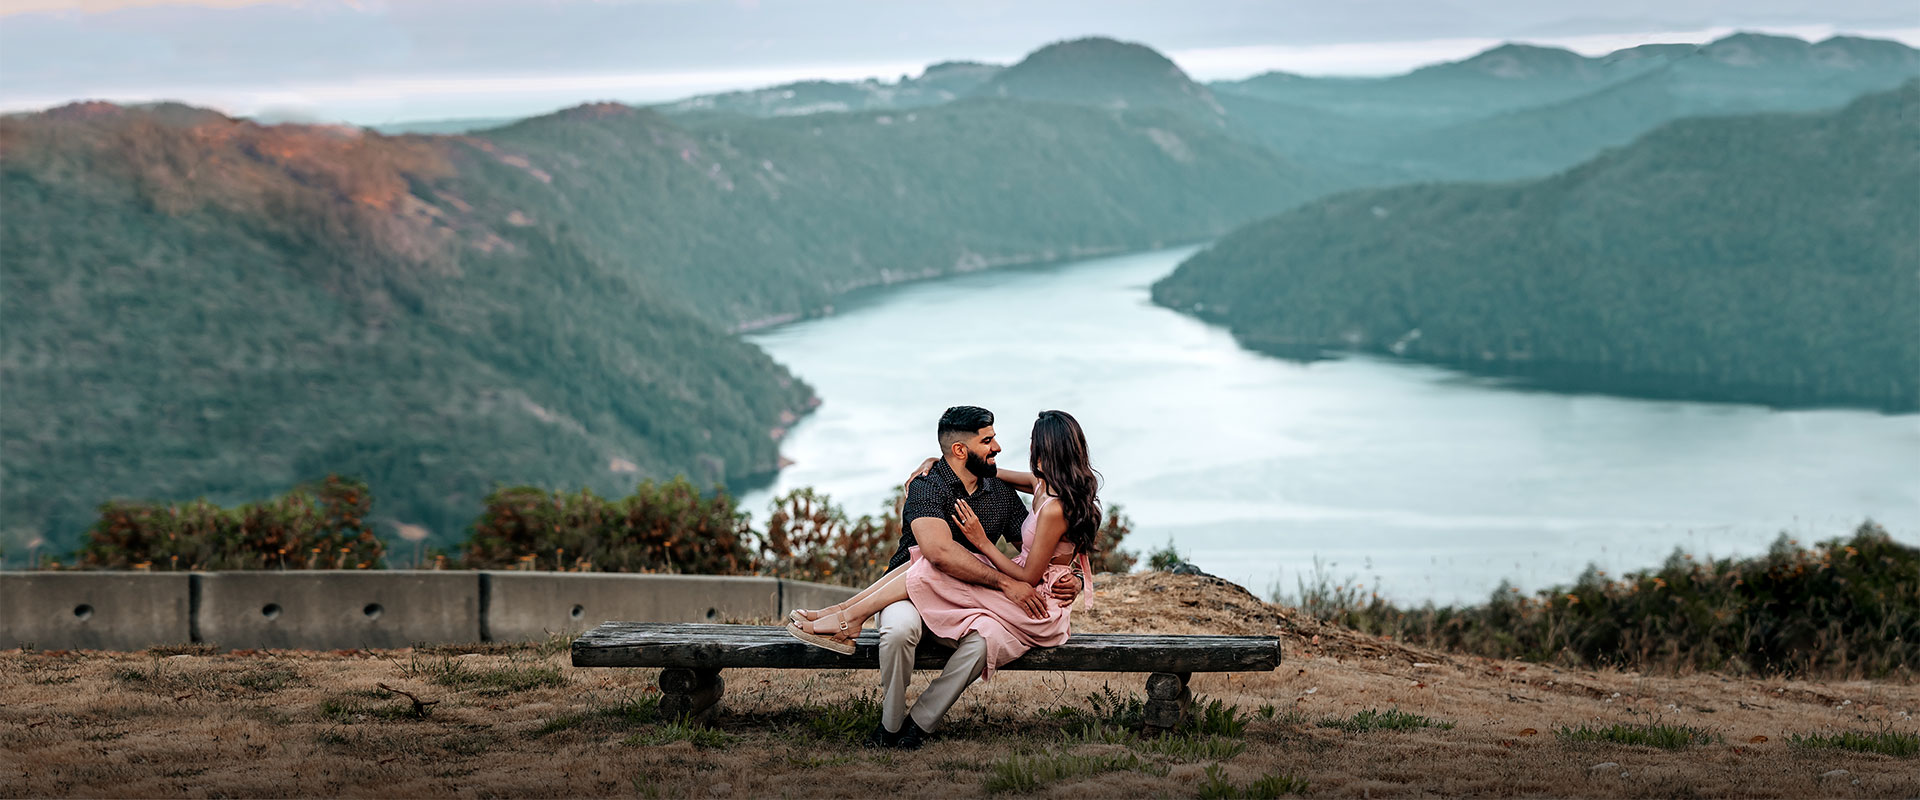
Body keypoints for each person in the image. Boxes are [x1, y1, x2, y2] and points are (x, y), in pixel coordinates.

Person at [787, 406, 1101, 749]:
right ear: (960, 450)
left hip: (984, 594)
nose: (998, 447)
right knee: (903, 618)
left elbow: (1042, 553)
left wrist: (1072, 578)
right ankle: (888, 724)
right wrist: (933, 462)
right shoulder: (927, 487)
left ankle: (918, 721)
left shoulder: (1002, 492)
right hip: (906, 590)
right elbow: (940, 553)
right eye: (988, 440)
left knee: (986, 638)